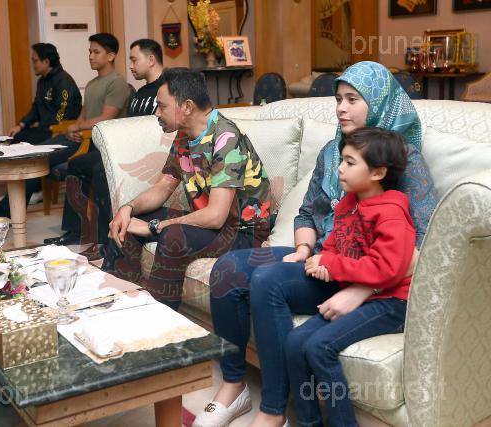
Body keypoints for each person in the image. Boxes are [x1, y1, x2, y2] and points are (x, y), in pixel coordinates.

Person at [195, 61, 437, 427]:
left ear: (378, 102)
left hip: (359, 274)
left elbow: (422, 244)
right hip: (323, 256)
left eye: (352, 100)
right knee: (229, 268)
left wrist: (361, 290)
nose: (341, 108)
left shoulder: (400, 159)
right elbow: (308, 213)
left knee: (268, 281)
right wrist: (304, 250)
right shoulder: (331, 152)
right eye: (339, 99)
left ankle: (273, 410)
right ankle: (234, 385)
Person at [99, 67, 271, 311]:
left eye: (162, 106)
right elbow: (163, 186)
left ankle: (158, 320)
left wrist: (155, 227)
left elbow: (216, 215)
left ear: (187, 107)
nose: (157, 113)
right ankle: (114, 303)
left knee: (173, 235)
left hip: (242, 233)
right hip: (215, 227)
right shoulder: (184, 135)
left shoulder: (226, 138)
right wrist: (128, 208)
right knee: (125, 221)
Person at [286, 127, 414, 426]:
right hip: (358, 291)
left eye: (350, 162)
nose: (340, 168)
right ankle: (309, 422)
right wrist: (322, 264)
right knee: (294, 343)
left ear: (378, 173)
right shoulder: (348, 203)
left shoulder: (391, 211)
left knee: (319, 347)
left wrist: (333, 263)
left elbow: (387, 268)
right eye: (341, 160)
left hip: (392, 301)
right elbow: (335, 245)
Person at [44, 39, 164, 258]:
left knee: (102, 170)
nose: (130, 65)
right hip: (128, 150)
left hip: (152, 155)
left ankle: (103, 240)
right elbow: (128, 127)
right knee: (77, 164)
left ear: (151, 59)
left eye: (134, 60)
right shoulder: (139, 93)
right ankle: (75, 230)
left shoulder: (167, 89)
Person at [0, 43, 82, 218]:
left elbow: (63, 115)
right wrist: (21, 125)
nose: (32, 64)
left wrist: (50, 128)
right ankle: (16, 196)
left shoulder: (64, 81)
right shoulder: (42, 81)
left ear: (46, 61)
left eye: (35, 61)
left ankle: (24, 194)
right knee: (16, 138)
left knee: (26, 149)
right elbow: (36, 108)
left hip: (58, 132)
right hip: (44, 129)